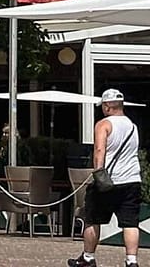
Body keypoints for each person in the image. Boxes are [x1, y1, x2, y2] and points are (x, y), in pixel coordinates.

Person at [73, 88, 141, 267]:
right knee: (130, 223)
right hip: (132, 179)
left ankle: (88, 257)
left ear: (107, 106)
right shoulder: (133, 126)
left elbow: (99, 149)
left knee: (93, 218)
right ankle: (131, 260)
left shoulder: (104, 124)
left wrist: (98, 171)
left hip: (109, 180)